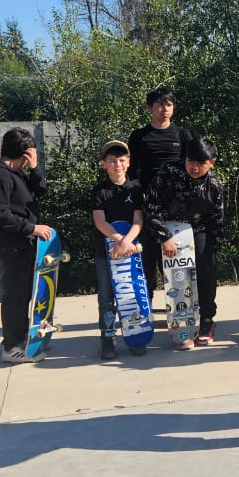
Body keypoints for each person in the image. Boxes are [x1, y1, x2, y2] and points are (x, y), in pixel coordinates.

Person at [0, 127, 53, 362]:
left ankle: (21, 339)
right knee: (15, 296)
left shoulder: (15, 173)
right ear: (24, 152)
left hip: (25, 244)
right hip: (13, 245)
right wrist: (32, 228)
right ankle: (11, 348)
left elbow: (39, 192)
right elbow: (0, 214)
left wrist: (35, 169)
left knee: (24, 295)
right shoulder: (0, 176)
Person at [144, 136, 225, 348]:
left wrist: (213, 250)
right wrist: (164, 237)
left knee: (207, 273)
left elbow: (217, 219)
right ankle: (181, 325)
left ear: (212, 163)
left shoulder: (214, 184)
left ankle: (207, 320)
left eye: (201, 163)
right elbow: (151, 206)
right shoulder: (169, 172)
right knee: (176, 280)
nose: (195, 167)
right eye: (191, 161)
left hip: (199, 231)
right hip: (168, 232)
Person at [127, 87, 195, 304]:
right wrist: (137, 187)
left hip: (176, 205)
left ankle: (177, 306)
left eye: (168, 105)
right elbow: (131, 168)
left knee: (175, 255)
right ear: (150, 108)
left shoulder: (182, 135)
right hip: (148, 204)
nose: (164, 109)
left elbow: (192, 166)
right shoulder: (139, 136)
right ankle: (145, 304)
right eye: (159, 104)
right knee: (148, 256)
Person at [90, 140, 146, 359]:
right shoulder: (99, 191)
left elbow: (138, 219)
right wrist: (119, 241)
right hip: (106, 251)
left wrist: (126, 243)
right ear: (104, 164)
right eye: (112, 161)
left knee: (131, 293)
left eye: (122, 160)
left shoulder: (136, 188)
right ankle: (108, 338)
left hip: (131, 250)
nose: (117, 165)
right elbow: (100, 222)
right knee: (106, 297)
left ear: (129, 162)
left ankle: (134, 334)